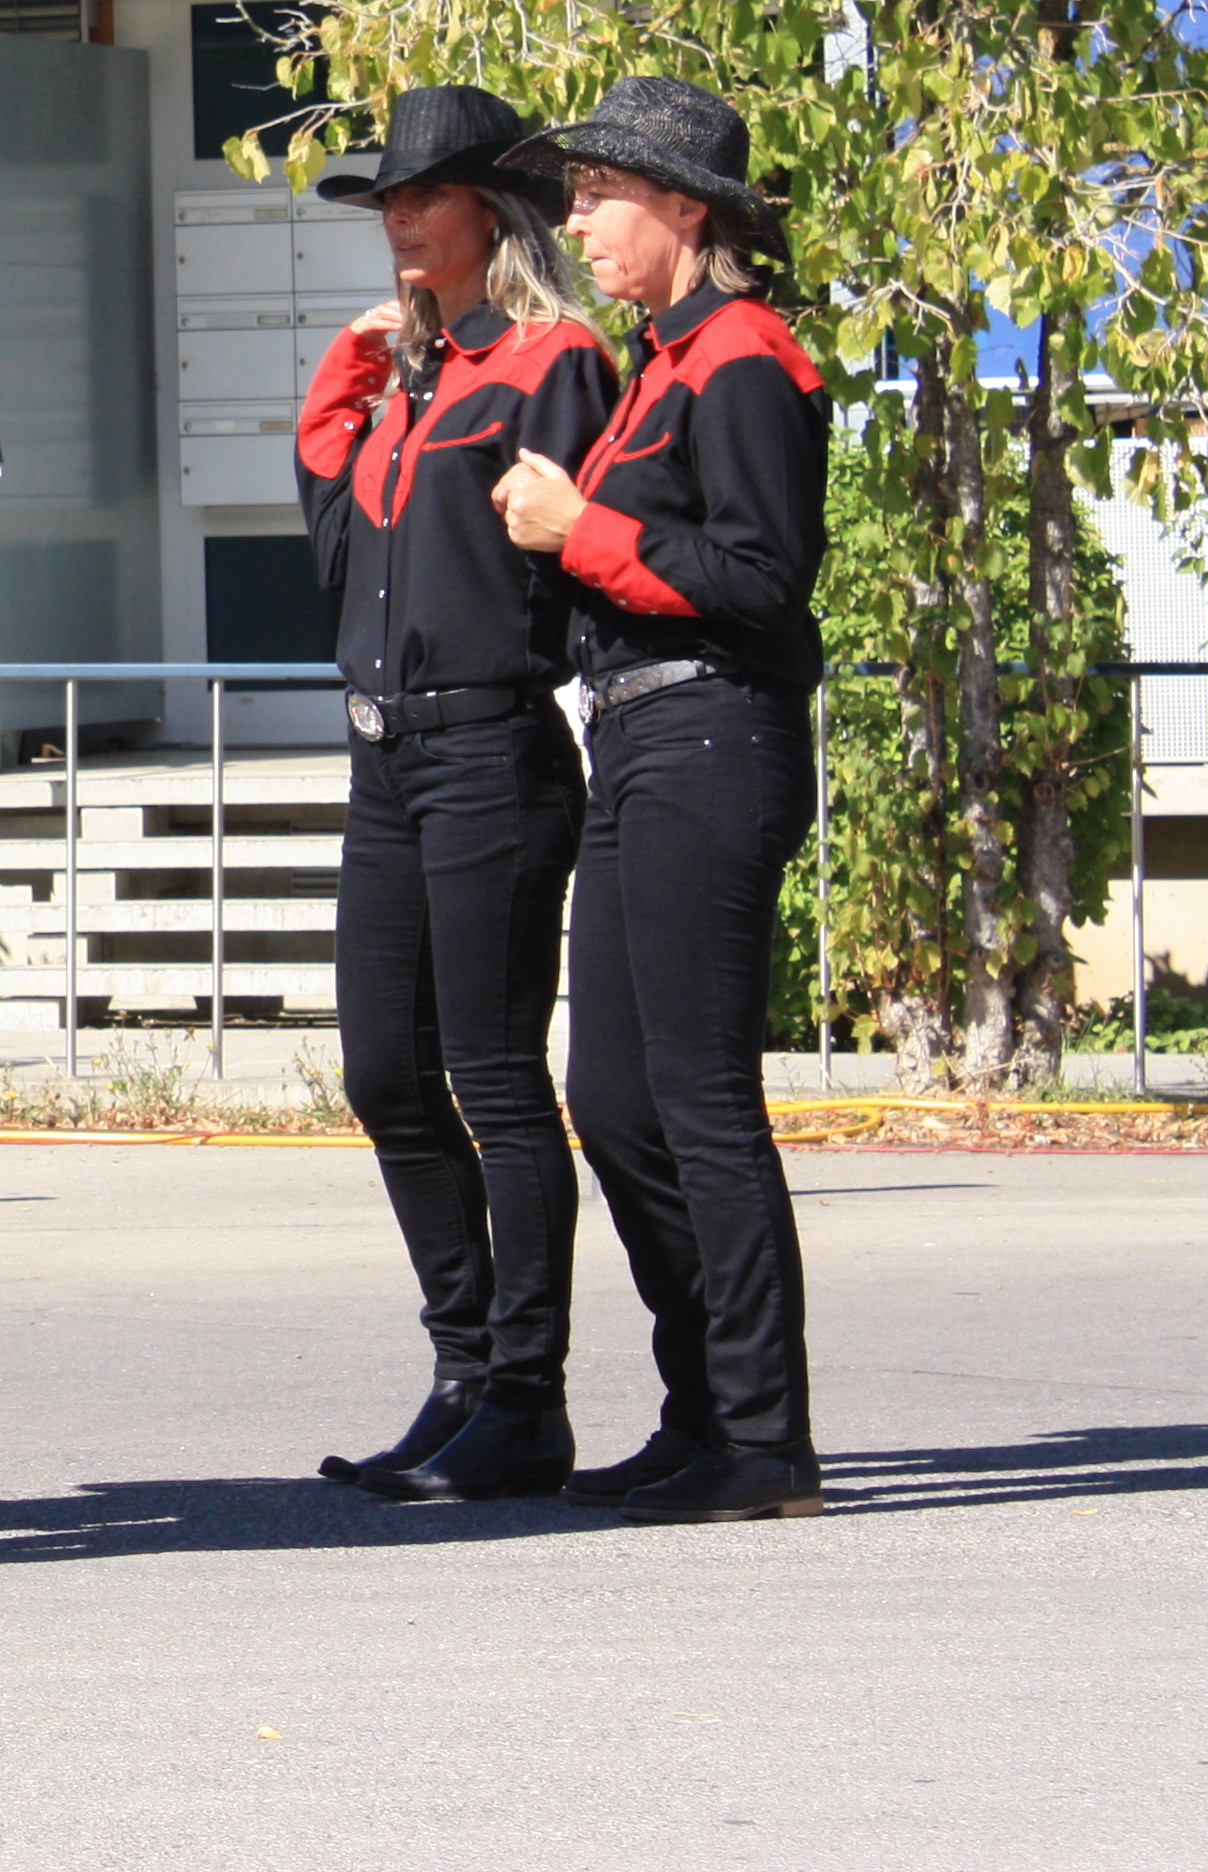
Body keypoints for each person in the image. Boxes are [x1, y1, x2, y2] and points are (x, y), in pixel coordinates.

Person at [492, 77, 831, 1523]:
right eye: (573, 194)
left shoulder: (745, 355)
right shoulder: (661, 360)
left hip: (712, 734)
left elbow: (762, 577)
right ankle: (703, 1411)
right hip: (638, 736)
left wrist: (584, 530)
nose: (576, 221)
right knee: (617, 1098)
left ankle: (761, 1437)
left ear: (685, 209)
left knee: (698, 1097)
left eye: (598, 194)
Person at [294, 86, 619, 1503]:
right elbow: (336, 542)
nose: (400, 220)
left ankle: (525, 1399)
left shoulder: (553, 361)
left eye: (423, 195)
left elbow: (580, 554)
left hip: (492, 747)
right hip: (386, 758)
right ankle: (463, 1370)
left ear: (493, 211)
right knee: (383, 1071)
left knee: (493, 1075)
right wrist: (347, 377)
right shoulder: (410, 375)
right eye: (389, 201)